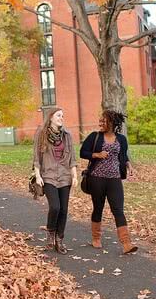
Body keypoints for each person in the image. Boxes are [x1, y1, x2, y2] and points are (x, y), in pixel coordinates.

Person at [80, 110, 138, 254]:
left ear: (112, 123)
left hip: (114, 179)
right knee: (98, 208)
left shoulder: (121, 139)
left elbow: (123, 157)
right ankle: (96, 237)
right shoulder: (95, 137)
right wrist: (97, 154)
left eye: (103, 121)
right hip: (97, 178)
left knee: (118, 209)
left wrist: (129, 166)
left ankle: (126, 243)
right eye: (100, 120)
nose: (100, 123)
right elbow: (83, 152)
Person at [32, 107, 79, 255]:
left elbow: (72, 157)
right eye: (58, 115)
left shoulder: (67, 135)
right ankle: (50, 233)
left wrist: (75, 175)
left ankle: (59, 240)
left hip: (65, 176)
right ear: (51, 117)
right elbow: (37, 157)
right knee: (55, 207)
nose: (61, 118)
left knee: (64, 210)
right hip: (48, 176)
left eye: (62, 116)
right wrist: (38, 176)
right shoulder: (41, 134)